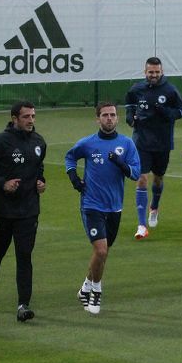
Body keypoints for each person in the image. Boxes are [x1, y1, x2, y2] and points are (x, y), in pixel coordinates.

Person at [0, 101, 47, 322]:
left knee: (24, 256)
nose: (31, 120)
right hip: (3, 210)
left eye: (33, 116)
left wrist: (41, 182)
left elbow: (38, 168)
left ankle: (23, 305)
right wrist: (1, 183)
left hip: (29, 210)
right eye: (26, 117)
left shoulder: (39, 142)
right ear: (14, 118)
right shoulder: (0, 142)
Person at [66, 102, 140, 315]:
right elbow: (70, 157)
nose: (109, 118)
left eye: (113, 115)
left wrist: (120, 164)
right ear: (97, 119)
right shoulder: (88, 143)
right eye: (105, 115)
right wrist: (74, 177)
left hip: (115, 207)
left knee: (102, 254)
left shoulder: (126, 144)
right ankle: (95, 293)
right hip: (91, 204)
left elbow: (135, 173)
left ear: (117, 118)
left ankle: (85, 287)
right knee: (101, 250)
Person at [124, 57, 182, 240]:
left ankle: (154, 206)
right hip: (141, 141)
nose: (154, 75)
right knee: (142, 178)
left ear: (162, 72)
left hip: (162, 142)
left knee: (158, 179)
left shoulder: (170, 90)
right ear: (145, 72)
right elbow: (129, 106)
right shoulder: (136, 89)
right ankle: (142, 225)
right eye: (150, 72)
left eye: (157, 72)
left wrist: (166, 112)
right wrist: (130, 118)